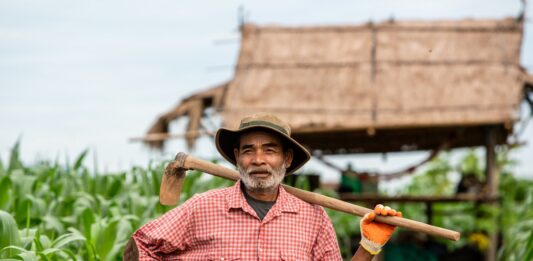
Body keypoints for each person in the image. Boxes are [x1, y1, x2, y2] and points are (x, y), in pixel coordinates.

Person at [127, 113, 401, 260]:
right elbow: (142, 245)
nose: (258, 159)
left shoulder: (313, 218)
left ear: (287, 158)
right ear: (237, 158)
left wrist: (368, 247)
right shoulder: (203, 207)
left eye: (270, 150)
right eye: (248, 150)